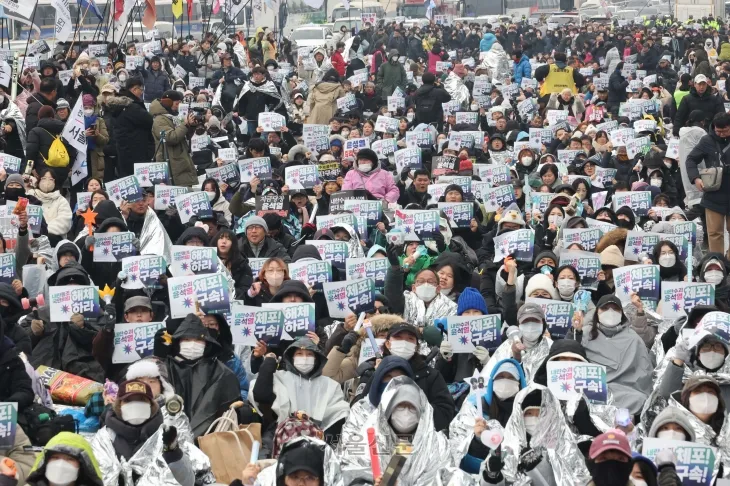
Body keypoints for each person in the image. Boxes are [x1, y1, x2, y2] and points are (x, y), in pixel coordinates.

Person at [90, 380, 195, 486]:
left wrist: (173, 452)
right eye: (128, 400)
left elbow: (188, 482)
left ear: (151, 405)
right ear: (119, 405)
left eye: (141, 400)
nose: (135, 405)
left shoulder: (165, 435)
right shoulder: (105, 438)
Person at [165, 313, 241, 438]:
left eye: (198, 340)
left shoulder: (222, 373)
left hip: (210, 440)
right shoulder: (164, 368)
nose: (193, 344)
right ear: (178, 342)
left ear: (207, 343)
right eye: (187, 340)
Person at [686, 111, 730, 259]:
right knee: (714, 233)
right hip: (714, 193)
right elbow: (690, 160)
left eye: (725, 131)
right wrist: (696, 179)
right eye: (719, 131)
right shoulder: (707, 140)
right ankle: (718, 266)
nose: (722, 134)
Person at [106, 77, 154, 177]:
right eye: (141, 90)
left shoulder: (121, 105)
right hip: (136, 151)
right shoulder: (132, 107)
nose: (141, 93)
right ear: (134, 89)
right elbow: (149, 120)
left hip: (125, 150)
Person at [150, 90, 198, 187]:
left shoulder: (173, 117)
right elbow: (171, 137)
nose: (178, 107)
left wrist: (191, 126)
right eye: (177, 104)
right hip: (171, 163)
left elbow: (184, 136)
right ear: (168, 102)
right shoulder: (160, 119)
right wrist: (185, 124)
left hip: (179, 160)